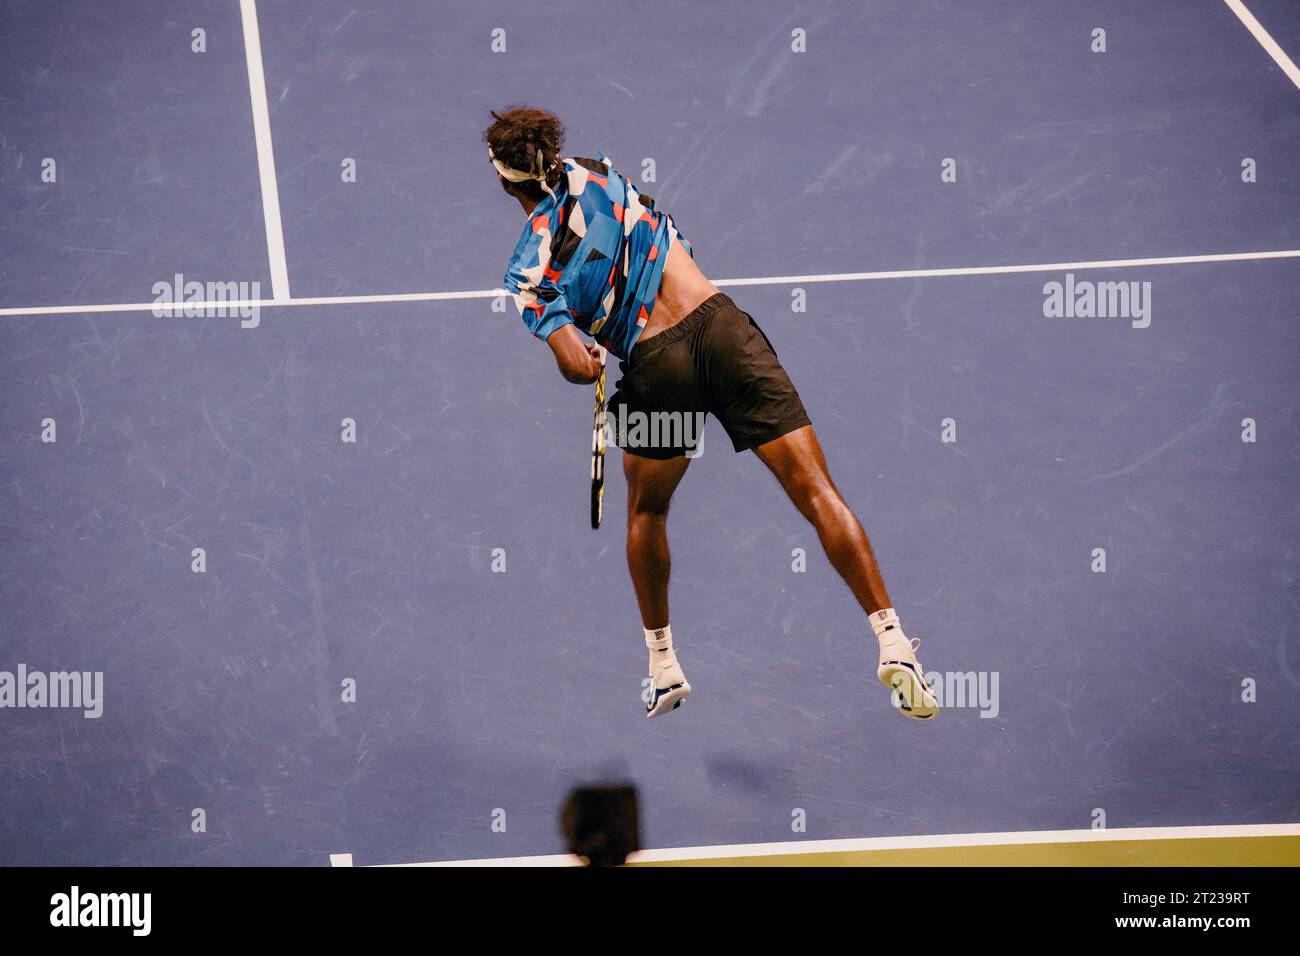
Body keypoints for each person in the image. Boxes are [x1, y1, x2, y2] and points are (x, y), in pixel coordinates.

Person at [486, 106, 938, 720]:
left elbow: (575, 364)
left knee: (648, 511)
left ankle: (664, 666)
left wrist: (587, 359)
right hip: (724, 331)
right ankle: (892, 641)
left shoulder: (528, 272)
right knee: (817, 492)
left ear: (504, 181)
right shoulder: (599, 173)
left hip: (656, 369)